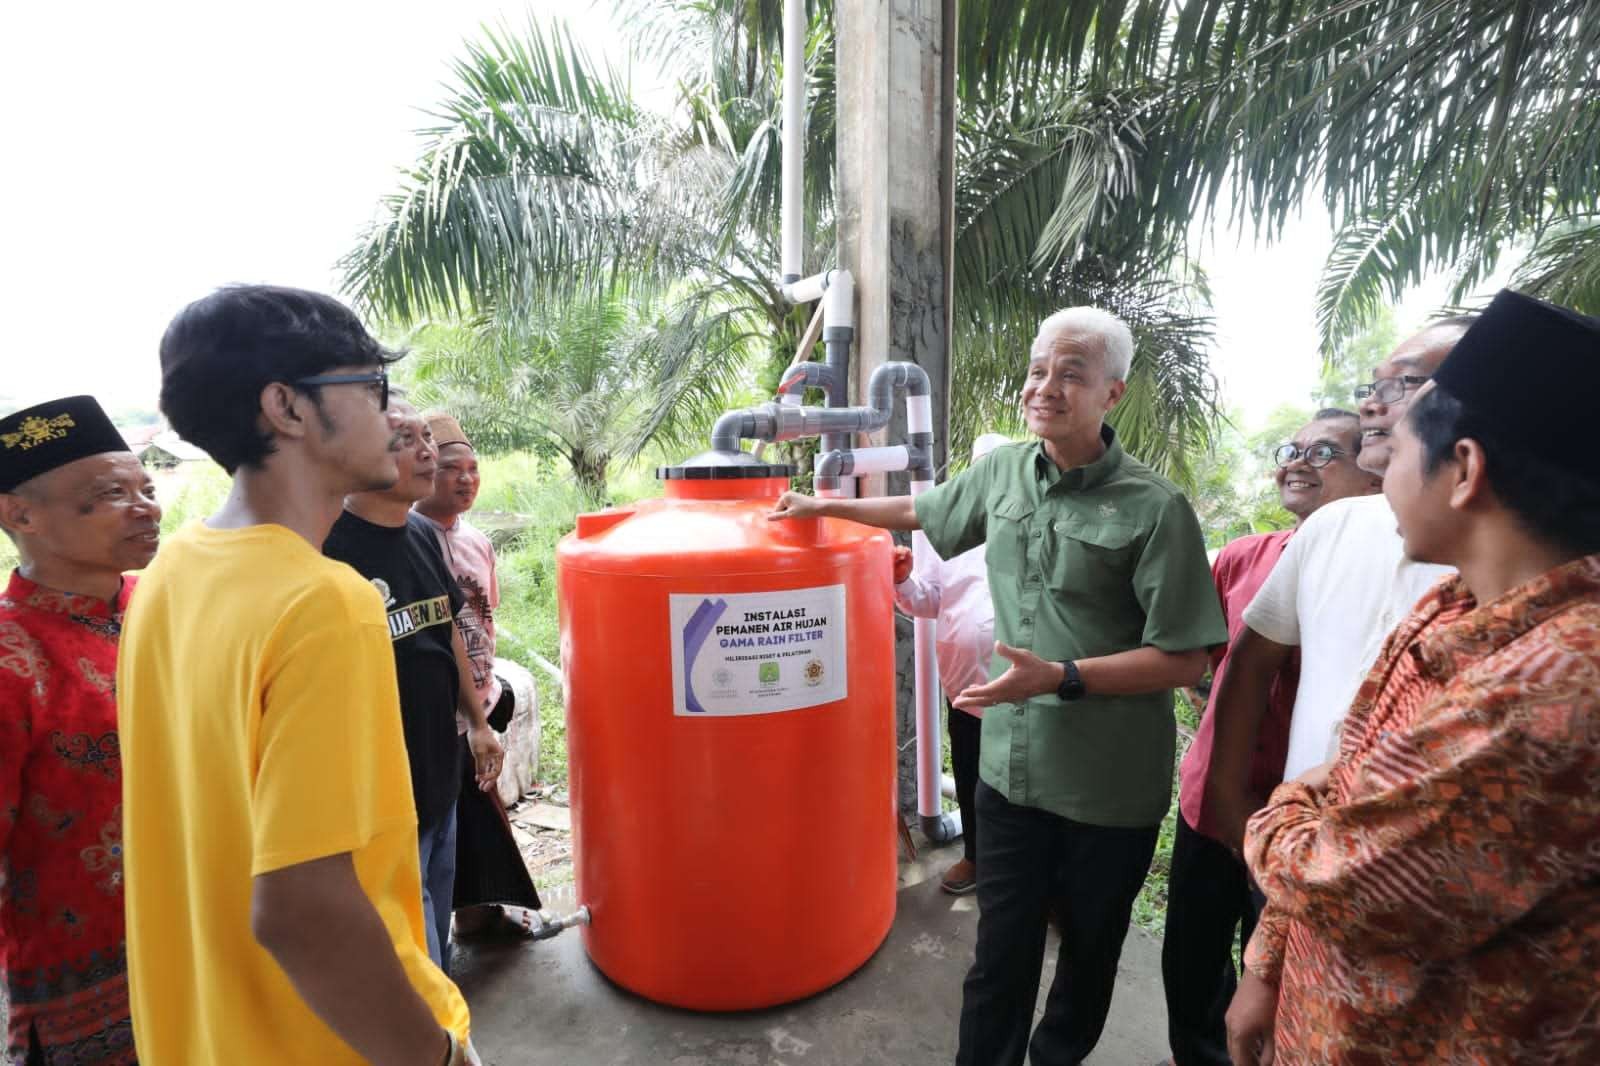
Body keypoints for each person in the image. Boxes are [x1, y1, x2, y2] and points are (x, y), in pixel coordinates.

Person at [771, 307, 1227, 1066]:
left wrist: (1063, 677)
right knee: (999, 954)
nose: (1045, 387)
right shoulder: (1005, 470)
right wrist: (828, 505)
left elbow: (1185, 660)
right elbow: (925, 508)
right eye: (1038, 370)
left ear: (1111, 393)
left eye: (1070, 374)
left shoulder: (1156, 509)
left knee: (1087, 953)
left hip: (1106, 789)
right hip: (1010, 774)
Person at [1235, 289, 1600, 1064]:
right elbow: (1350, 784)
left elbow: (1341, 878)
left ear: (1463, 469)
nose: (1382, 475)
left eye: (1395, 453)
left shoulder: (1559, 683)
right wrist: (1268, 960)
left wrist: (1277, 812)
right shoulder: (1454, 605)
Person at [118, 286, 480, 1065]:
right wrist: (433, 1054)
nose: (391, 418)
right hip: (312, 1039)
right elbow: (301, 908)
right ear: (286, 407)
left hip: (205, 1029)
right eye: (373, 390)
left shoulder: (170, 572)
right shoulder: (323, 602)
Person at [1211, 318, 1474, 1059]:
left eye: (1404, 384)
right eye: (1372, 387)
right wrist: (1236, 808)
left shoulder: (1511, 604)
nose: (1374, 405)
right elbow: (1246, 665)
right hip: (1300, 870)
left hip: (1396, 906)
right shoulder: (1335, 531)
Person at [1160, 409, 1378, 1066]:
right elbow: (1206, 656)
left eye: (1324, 451)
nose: (1298, 461)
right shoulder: (1244, 555)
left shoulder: (1382, 573)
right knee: (1190, 965)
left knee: (1279, 981)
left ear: (1373, 474)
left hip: (1301, 823)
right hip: (1210, 803)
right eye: (1292, 448)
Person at [0, 396, 158, 1065]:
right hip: (85, 1003)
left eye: (146, 488)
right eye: (110, 495)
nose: (145, 507)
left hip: (211, 943)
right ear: (20, 515)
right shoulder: (12, 658)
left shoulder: (163, 611)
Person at [323, 399, 503, 973]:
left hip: (438, 768)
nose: (426, 452)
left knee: (438, 909)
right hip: (379, 789)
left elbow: (444, 624)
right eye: (404, 439)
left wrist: (476, 724)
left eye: (428, 437)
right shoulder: (327, 548)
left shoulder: (424, 534)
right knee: (411, 938)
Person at [413, 411, 543, 937]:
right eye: (451, 469)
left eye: (473, 469)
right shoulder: (409, 539)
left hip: (481, 705)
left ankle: (475, 916)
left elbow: (486, 618)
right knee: (451, 823)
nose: (465, 479)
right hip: (437, 717)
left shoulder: (477, 543)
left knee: (478, 819)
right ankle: (453, 929)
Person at [891, 431, 1010, 895]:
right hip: (964, 686)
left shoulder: (1037, 526)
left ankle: (1040, 881)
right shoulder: (950, 534)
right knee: (970, 773)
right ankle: (977, 858)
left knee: (1024, 788)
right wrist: (903, 580)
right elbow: (929, 600)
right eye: (980, 473)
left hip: (1022, 689)